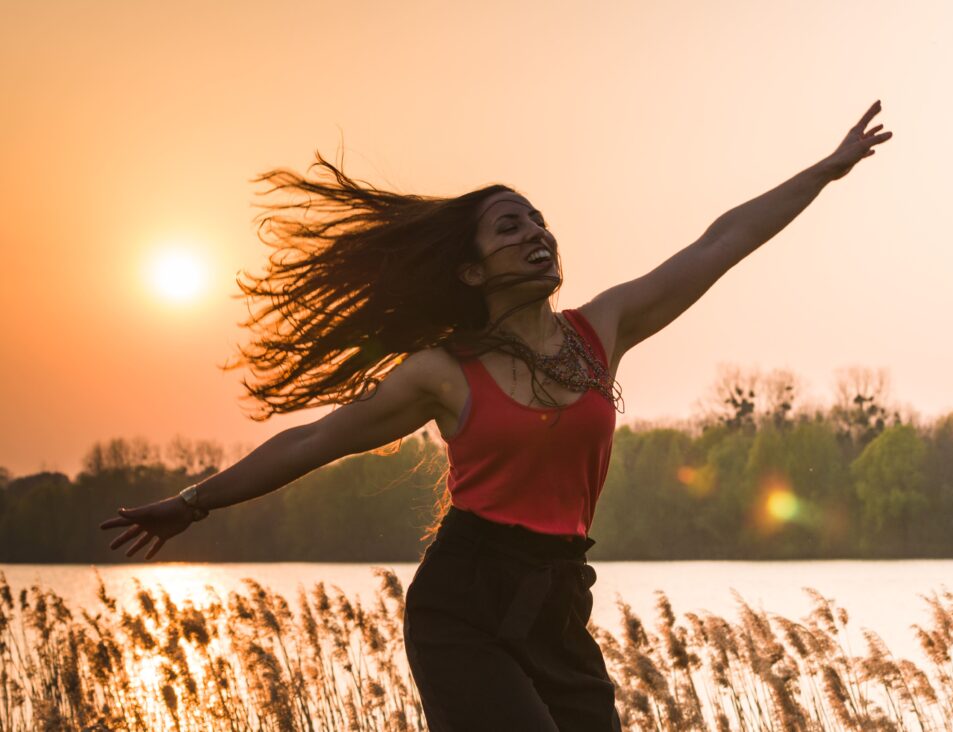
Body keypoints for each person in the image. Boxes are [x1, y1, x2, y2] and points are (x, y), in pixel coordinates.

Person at [100, 101, 892, 730]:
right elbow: (316, 440)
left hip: (558, 602)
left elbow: (721, 241)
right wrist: (195, 502)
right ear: (473, 270)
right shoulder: (444, 375)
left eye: (538, 220)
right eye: (509, 226)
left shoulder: (599, 331)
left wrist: (824, 170)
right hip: (464, 607)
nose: (536, 234)